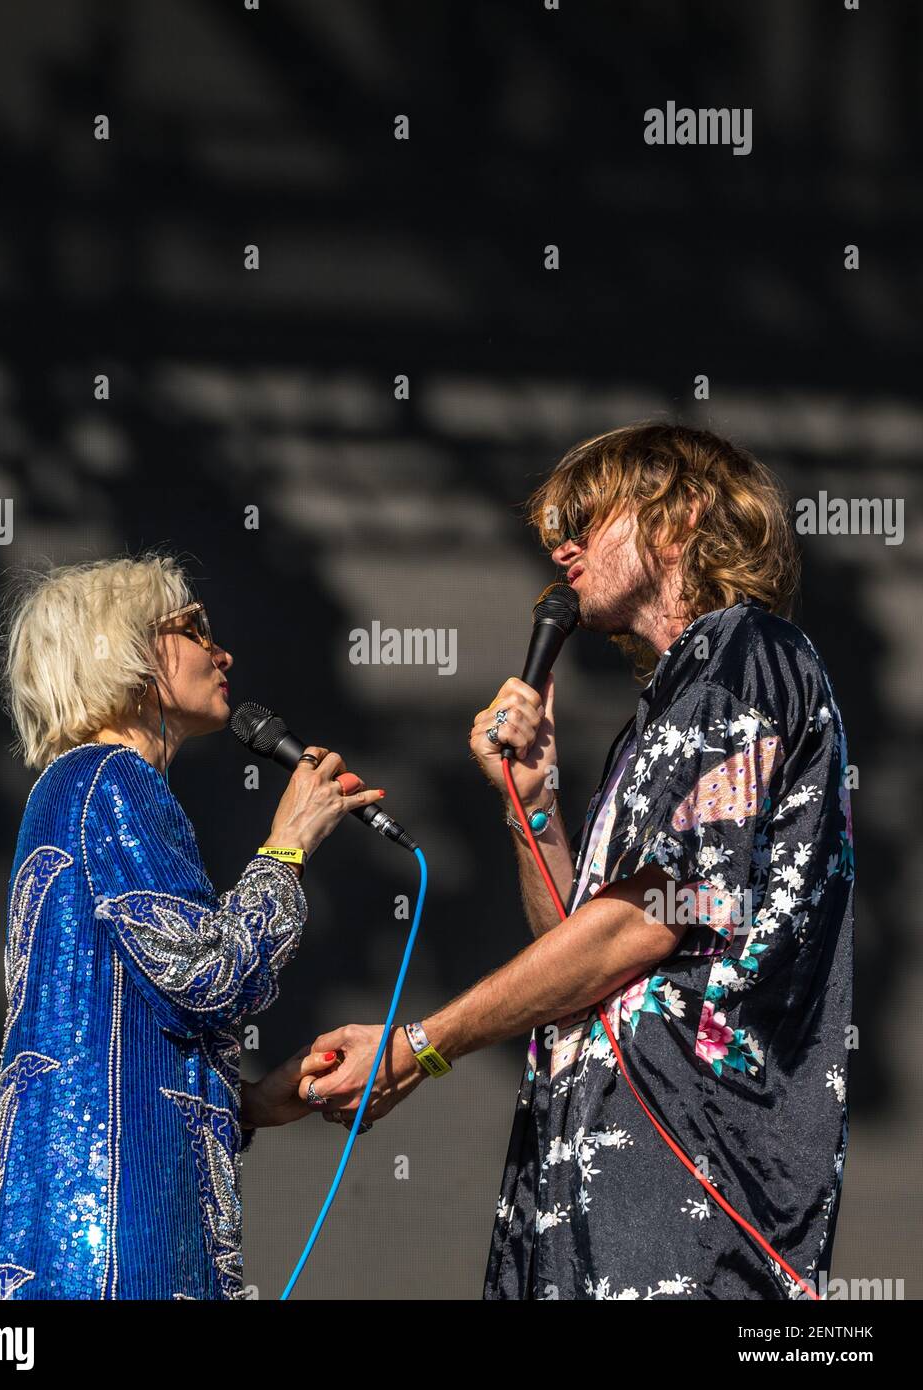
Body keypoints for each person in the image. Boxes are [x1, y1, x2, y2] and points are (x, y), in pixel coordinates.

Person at [300, 423, 854, 1301]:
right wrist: (535, 806)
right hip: (590, 1195)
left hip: (690, 1210)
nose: (563, 543)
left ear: (682, 517)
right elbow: (581, 951)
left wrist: (419, 1048)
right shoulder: (662, 713)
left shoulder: (743, 654)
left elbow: (644, 920)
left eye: (589, 517)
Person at [0, 553, 386, 1300]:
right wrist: (286, 847)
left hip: (71, 1238)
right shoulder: (113, 779)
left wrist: (251, 1102)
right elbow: (208, 976)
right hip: (121, 1249)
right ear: (123, 650)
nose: (222, 652)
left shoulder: (74, 790)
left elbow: (128, 1024)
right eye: (192, 629)